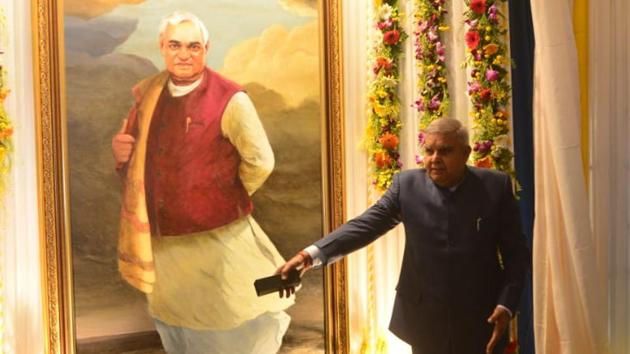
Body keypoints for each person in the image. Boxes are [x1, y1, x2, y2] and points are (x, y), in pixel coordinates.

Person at [111, 11, 293, 354]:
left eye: (194, 46)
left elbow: (261, 162)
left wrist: (220, 195)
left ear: (206, 48)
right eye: (175, 45)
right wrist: (122, 156)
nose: (184, 54)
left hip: (217, 242)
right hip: (164, 246)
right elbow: (137, 170)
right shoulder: (148, 95)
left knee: (228, 326)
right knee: (176, 327)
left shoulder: (232, 99)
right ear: (162, 48)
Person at [278, 118, 529, 354]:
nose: (434, 159)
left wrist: (506, 304)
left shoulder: (495, 186)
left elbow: (516, 254)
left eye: (445, 151)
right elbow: (365, 226)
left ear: (466, 153)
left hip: (483, 321)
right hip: (423, 322)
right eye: (429, 151)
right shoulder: (406, 186)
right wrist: (308, 257)